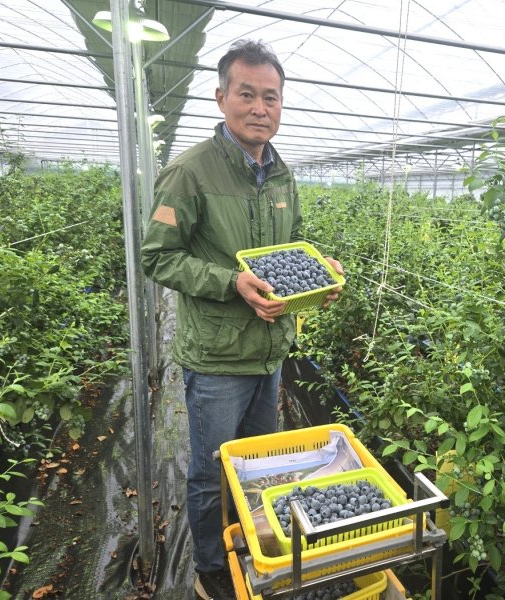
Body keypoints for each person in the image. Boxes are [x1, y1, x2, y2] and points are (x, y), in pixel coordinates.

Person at [140, 39, 343, 600]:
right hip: (218, 356)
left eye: (270, 97)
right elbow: (157, 257)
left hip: (270, 348)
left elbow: (290, 248)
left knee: (258, 465)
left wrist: (317, 272)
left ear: (281, 103)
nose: (260, 108)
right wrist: (232, 282)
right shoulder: (189, 173)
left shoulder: (281, 175)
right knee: (212, 473)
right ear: (221, 97)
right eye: (247, 94)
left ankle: (253, 546)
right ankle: (211, 570)